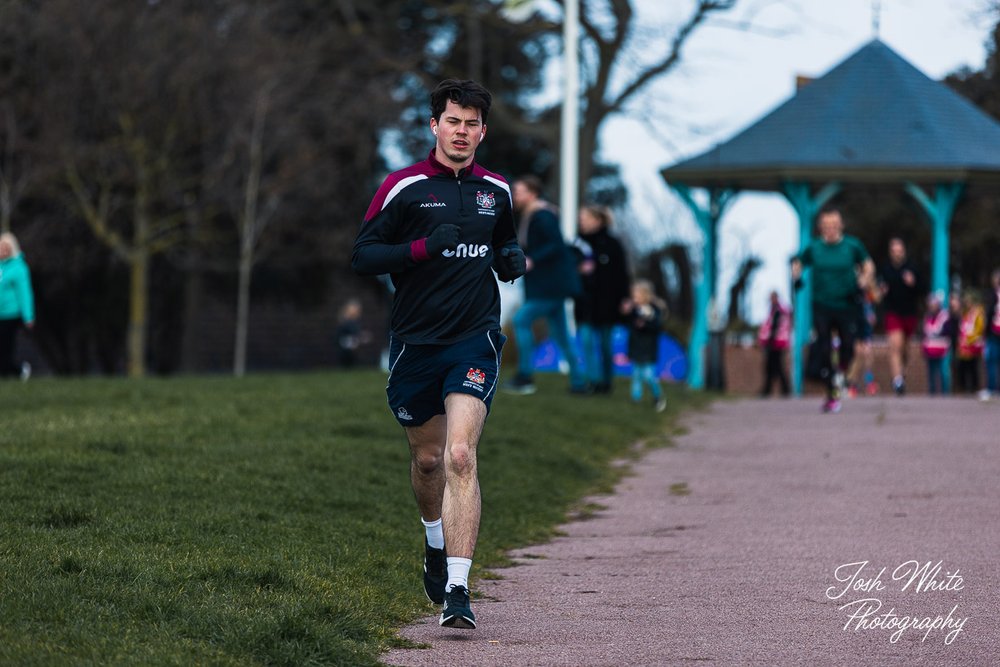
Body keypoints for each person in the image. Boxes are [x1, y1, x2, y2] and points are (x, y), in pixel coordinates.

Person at [351, 79, 525, 630]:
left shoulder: (496, 190)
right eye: (453, 121)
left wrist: (511, 258)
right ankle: (433, 540)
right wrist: (423, 248)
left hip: (473, 337)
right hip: (416, 343)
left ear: (483, 131)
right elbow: (363, 256)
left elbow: (503, 245)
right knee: (427, 460)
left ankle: (458, 588)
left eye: (472, 124)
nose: (462, 132)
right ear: (435, 125)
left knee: (459, 456)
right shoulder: (402, 187)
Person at [505, 175, 585, 395]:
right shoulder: (533, 216)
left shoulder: (542, 215)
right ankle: (579, 384)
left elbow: (556, 245)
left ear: (532, 193)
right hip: (550, 286)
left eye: (519, 191)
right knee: (560, 334)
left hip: (550, 286)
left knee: (521, 320)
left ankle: (525, 377)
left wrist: (533, 259)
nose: (515, 196)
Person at [790, 207, 875, 413]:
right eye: (825, 226)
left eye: (833, 225)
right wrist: (796, 275)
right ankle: (831, 391)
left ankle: (841, 373)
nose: (829, 229)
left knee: (848, 346)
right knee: (824, 347)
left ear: (840, 226)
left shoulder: (852, 246)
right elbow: (798, 263)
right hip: (822, 305)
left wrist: (865, 278)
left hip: (847, 304)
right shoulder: (814, 248)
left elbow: (868, 264)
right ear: (820, 228)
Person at [573, 204, 630, 394]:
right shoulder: (577, 245)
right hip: (584, 304)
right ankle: (593, 381)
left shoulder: (613, 245)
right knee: (587, 341)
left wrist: (625, 299)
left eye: (584, 218)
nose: (581, 221)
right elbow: (567, 270)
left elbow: (622, 275)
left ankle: (606, 382)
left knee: (606, 345)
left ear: (597, 220)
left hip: (607, 304)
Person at [878, 237, 923, 395]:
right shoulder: (885, 269)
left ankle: (901, 372)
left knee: (905, 348)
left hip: (909, 312)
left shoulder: (912, 268)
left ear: (903, 251)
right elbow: (879, 290)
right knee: (895, 346)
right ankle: (897, 381)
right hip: (892, 312)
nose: (897, 254)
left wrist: (913, 283)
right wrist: (881, 291)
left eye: (899, 250)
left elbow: (921, 289)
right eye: (894, 251)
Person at [624, 279, 666, 411]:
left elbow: (656, 327)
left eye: (636, 296)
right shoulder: (634, 311)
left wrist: (646, 323)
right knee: (636, 375)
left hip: (648, 349)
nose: (634, 299)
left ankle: (657, 396)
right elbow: (630, 325)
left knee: (649, 376)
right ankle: (635, 399)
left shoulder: (654, 311)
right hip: (636, 348)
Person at [0, 232, 35, 379]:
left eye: (6, 248)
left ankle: (19, 372)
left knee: (4, 349)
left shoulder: (19, 268)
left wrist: (28, 316)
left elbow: (24, 293)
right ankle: (13, 373)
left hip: (11, 314)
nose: (3, 251)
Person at [757, 290, 791, 397]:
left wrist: (767, 340)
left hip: (775, 343)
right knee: (774, 367)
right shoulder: (777, 310)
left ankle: (773, 390)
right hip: (776, 343)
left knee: (774, 367)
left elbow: (774, 328)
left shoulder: (777, 310)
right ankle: (776, 389)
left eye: (771, 298)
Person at [846, 285, 878, 398]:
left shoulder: (869, 293)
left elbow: (877, 298)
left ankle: (868, 381)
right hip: (855, 326)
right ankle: (851, 383)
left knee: (868, 355)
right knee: (857, 356)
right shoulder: (853, 289)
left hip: (866, 329)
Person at [920, 293, 953, 395]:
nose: (932, 307)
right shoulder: (928, 316)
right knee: (931, 372)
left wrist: (933, 332)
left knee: (943, 372)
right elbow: (924, 332)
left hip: (941, 349)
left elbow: (944, 331)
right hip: (929, 350)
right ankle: (932, 393)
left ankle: (945, 392)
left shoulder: (944, 316)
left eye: (934, 304)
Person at [956, 289, 985, 395]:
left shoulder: (978, 313)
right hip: (964, 347)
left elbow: (979, 330)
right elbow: (963, 328)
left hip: (974, 346)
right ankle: (965, 388)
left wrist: (969, 340)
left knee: (973, 368)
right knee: (964, 368)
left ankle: (974, 388)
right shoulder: (966, 313)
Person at [334, 298, 370, 368]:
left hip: (351, 350)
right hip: (345, 351)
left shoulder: (354, 322)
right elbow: (340, 338)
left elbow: (356, 334)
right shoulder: (345, 322)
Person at [982, 269, 1000, 401]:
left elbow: (989, 314)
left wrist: (985, 332)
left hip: (994, 332)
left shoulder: (994, 295)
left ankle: (991, 388)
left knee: (991, 361)